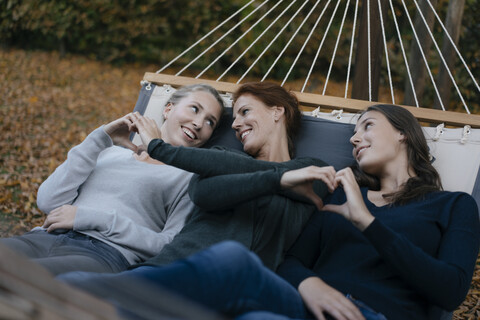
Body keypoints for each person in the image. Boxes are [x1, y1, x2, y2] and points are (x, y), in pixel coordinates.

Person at [62, 104, 479, 320]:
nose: (354, 139)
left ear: (404, 134)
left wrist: (368, 223)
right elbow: (293, 263)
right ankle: (66, 299)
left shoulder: (453, 206)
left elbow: (450, 290)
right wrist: (310, 283)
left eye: (366, 126)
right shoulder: (338, 193)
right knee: (233, 268)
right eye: (352, 132)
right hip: (303, 308)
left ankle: (65, 297)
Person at [0, 84, 225, 275]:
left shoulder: (189, 180)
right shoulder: (110, 152)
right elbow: (48, 201)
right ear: (168, 109)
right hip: (44, 237)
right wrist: (100, 138)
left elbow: (168, 245)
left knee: (19, 281)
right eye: (194, 109)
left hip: (102, 255)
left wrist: (92, 218)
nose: (198, 123)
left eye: (209, 122)